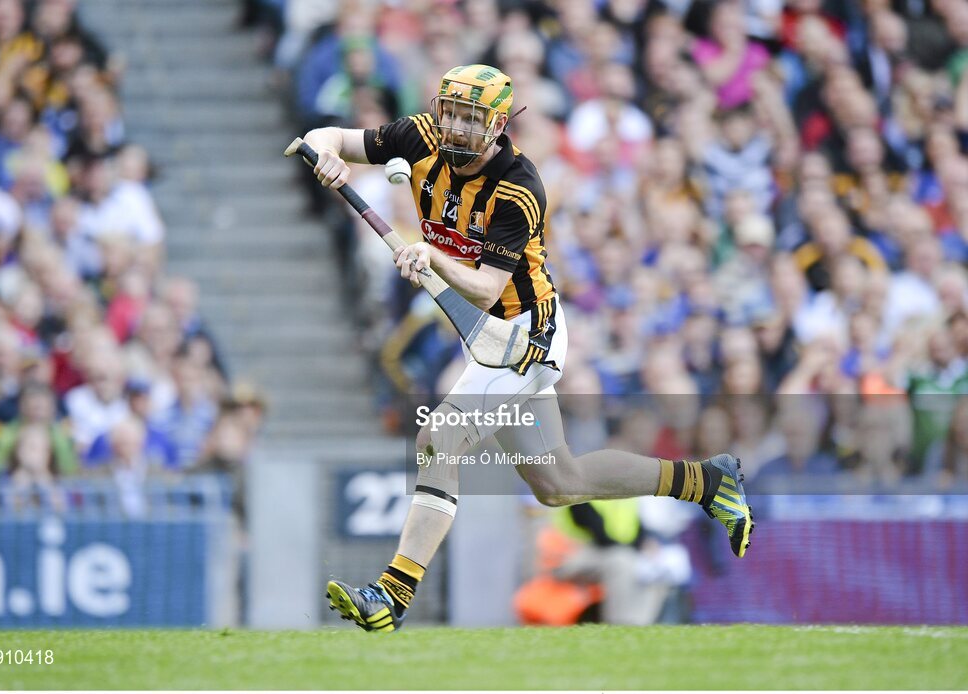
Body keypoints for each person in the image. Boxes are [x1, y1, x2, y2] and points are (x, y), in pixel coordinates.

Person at [297, 64, 755, 633]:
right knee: (559, 484)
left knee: (439, 438)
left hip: (521, 336)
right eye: (452, 113)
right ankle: (707, 481)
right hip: (485, 339)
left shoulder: (518, 187)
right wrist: (327, 153)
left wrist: (434, 257)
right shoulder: (417, 135)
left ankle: (391, 595)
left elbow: (488, 287)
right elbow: (329, 137)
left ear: (496, 126)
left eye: (472, 119)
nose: (458, 128)